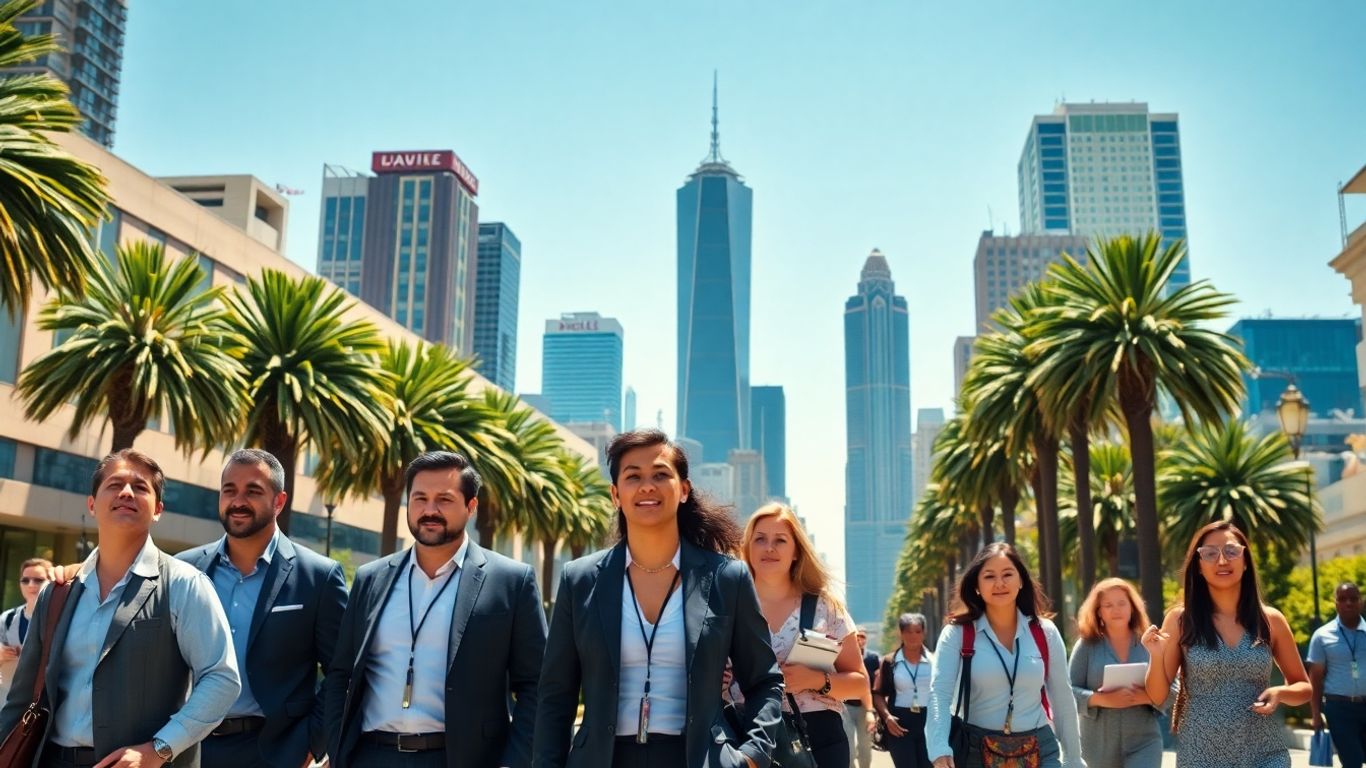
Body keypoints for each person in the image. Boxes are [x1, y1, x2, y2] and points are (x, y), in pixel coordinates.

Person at [533, 429, 784, 768]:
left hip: (698, 759)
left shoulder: (727, 577)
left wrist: (752, 756)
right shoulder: (580, 579)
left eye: (661, 475)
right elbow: (555, 695)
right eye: (633, 476)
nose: (647, 486)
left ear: (684, 490)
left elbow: (764, 681)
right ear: (615, 494)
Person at [0, 448, 240, 767]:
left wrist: (160, 749)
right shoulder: (58, 592)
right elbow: (22, 697)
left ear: (158, 509)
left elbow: (221, 678)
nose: (126, 492)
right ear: (91, 504)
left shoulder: (184, 584)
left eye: (140, 487)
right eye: (114, 485)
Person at [324, 450, 546, 768]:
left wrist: (514, 762)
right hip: (370, 755)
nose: (430, 510)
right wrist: (338, 745)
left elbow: (536, 685)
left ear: (471, 507)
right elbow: (340, 673)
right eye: (419, 498)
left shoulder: (511, 581)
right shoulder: (371, 578)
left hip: (461, 759)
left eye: (444, 499)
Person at [177, 449, 349, 768]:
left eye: (253, 491)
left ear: (279, 501)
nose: (238, 500)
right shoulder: (183, 570)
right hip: (188, 749)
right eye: (229, 490)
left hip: (275, 752)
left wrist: (312, 742)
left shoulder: (318, 577)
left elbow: (344, 669)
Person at [1141, 521, 1311, 768]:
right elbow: (1157, 696)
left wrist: (1280, 693)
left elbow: (1303, 687)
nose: (1222, 561)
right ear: (1198, 566)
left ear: (1245, 561)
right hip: (1201, 755)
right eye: (1210, 553)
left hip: (1265, 753)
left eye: (1231, 551)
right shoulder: (1180, 620)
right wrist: (1155, 657)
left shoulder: (1271, 620)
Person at [925, 542, 1084, 768]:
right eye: (989, 576)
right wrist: (939, 748)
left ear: (1021, 581)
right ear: (976, 585)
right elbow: (939, 693)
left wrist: (1074, 759)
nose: (999, 583)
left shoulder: (1045, 632)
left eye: (1008, 574)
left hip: (1040, 749)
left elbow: (1062, 699)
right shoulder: (957, 634)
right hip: (976, 751)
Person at [735, 502, 865, 768]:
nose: (769, 547)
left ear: (796, 551)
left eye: (780, 540)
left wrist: (816, 680)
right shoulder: (727, 606)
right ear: (747, 547)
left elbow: (860, 683)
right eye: (760, 539)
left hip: (818, 740)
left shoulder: (825, 607)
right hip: (746, 735)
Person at [1069, 578, 1164, 768]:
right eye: (1108, 605)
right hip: (1096, 748)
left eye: (1122, 603)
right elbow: (1067, 692)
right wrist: (1101, 700)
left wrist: (1145, 697)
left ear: (1132, 608)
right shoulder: (1086, 646)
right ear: (1099, 612)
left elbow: (1174, 690)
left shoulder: (1150, 643)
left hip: (1144, 743)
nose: (1116, 609)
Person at [1308, 582, 1366, 768]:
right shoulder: (1322, 635)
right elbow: (1315, 678)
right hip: (1339, 708)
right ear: (1336, 604)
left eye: (1353, 599)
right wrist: (1316, 714)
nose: (1348, 603)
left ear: (1361, 602)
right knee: (1352, 762)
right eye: (1343, 599)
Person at [873, 613, 933, 768]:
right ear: (901, 633)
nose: (913, 636)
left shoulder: (935, 660)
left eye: (917, 631)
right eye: (908, 632)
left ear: (924, 633)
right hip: (899, 725)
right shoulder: (889, 662)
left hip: (929, 723)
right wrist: (887, 718)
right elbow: (877, 693)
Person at [0, 557, 53, 703]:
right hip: (6, 702)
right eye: (25, 580)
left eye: (38, 580)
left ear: (51, 583)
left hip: (41, 705)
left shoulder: (58, 620)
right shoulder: (7, 618)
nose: (31, 585)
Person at [842, 627, 879, 768]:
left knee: (865, 745)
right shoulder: (844, 656)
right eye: (857, 636)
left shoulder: (872, 658)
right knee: (849, 746)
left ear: (866, 639)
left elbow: (876, 685)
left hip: (865, 707)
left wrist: (873, 711)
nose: (860, 639)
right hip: (846, 707)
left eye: (862, 636)